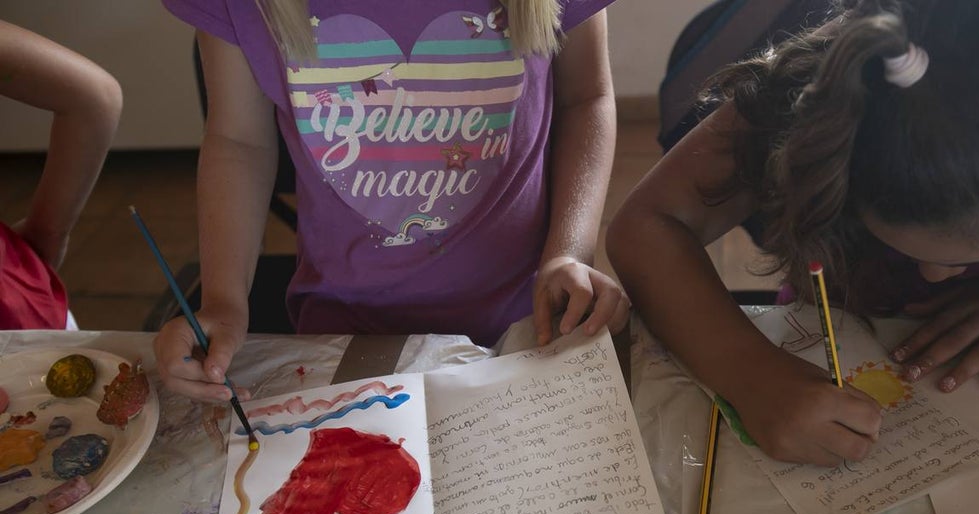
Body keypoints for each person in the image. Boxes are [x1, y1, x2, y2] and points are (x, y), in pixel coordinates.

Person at [606, 0, 979, 467]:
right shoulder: (840, 84)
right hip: (833, 326)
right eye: (894, 240)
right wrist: (749, 373)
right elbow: (648, 224)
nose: (934, 274)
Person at [156, 0, 627, 402]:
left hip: (526, 324)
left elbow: (585, 99)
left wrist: (570, 249)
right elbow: (239, 142)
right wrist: (221, 300)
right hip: (344, 332)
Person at [0, 21, 122, 330]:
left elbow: (95, 97)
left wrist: (46, 233)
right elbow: (94, 97)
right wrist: (48, 232)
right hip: (20, 313)